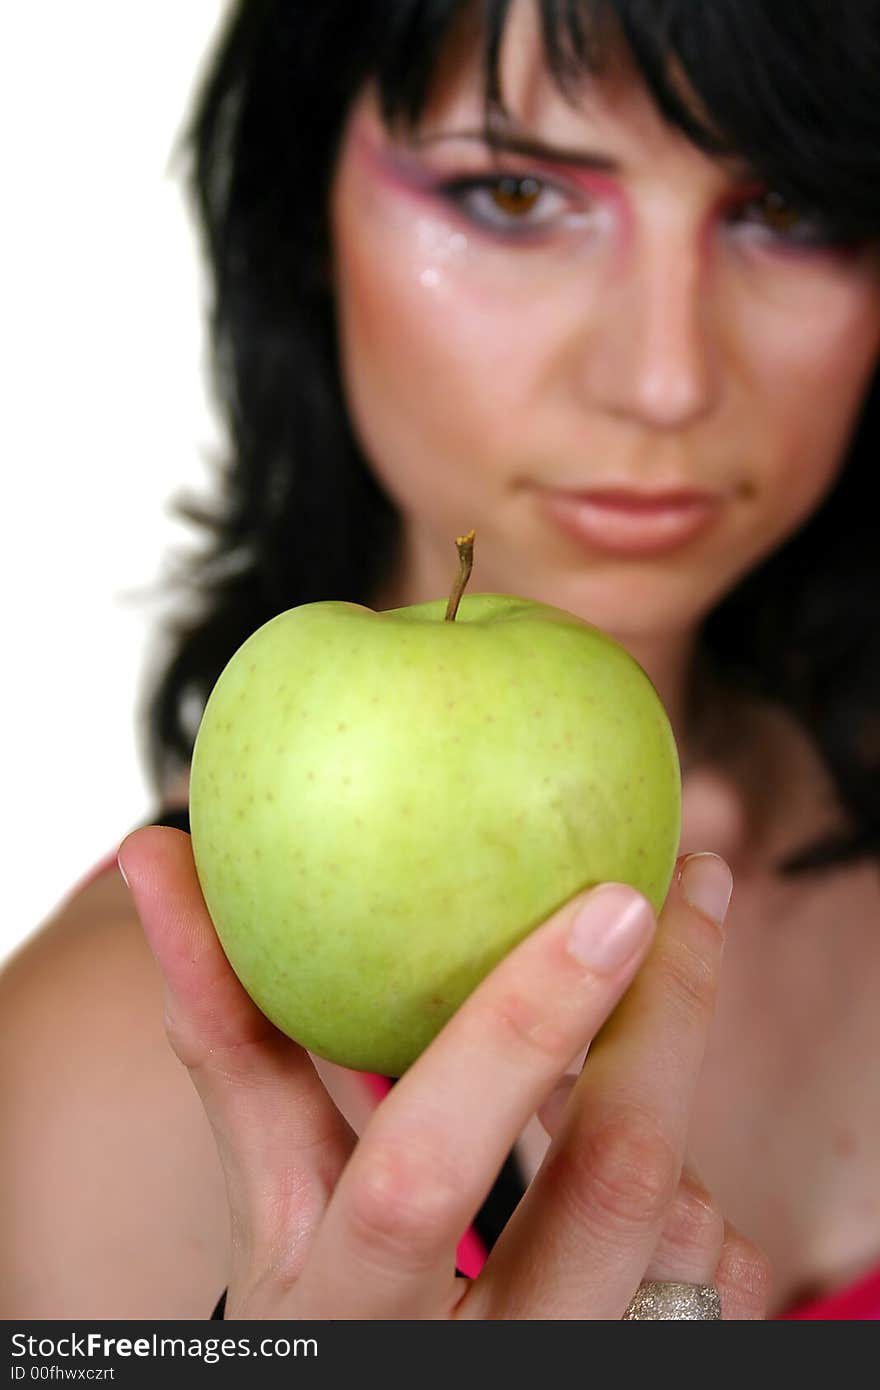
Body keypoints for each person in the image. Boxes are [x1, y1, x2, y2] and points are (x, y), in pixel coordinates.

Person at [2, 0, 880, 1321]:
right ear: (301, 221)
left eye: (789, 206)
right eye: (514, 192)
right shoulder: (100, 1076)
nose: (666, 377)